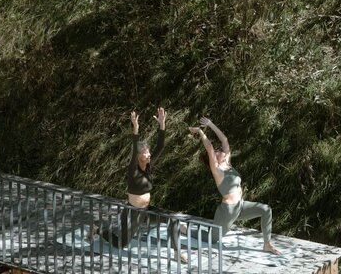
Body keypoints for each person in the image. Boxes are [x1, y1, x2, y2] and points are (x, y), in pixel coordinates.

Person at [90, 108, 187, 263]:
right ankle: (98, 230)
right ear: (139, 156)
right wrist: (135, 130)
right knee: (121, 245)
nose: (149, 154)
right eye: (146, 153)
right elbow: (135, 148)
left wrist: (162, 124)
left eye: (148, 152)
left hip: (146, 212)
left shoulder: (148, 166)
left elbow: (160, 147)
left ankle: (176, 252)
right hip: (131, 214)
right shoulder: (133, 170)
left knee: (173, 219)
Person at [188, 117, 280, 255]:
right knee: (211, 239)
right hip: (228, 212)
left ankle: (267, 244)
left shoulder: (228, 163)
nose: (220, 150)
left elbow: (224, 139)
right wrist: (201, 132)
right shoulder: (218, 171)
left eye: (220, 150)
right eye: (217, 152)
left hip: (241, 206)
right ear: (214, 158)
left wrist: (211, 124)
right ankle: (185, 229)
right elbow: (209, 148)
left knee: (266, 209)